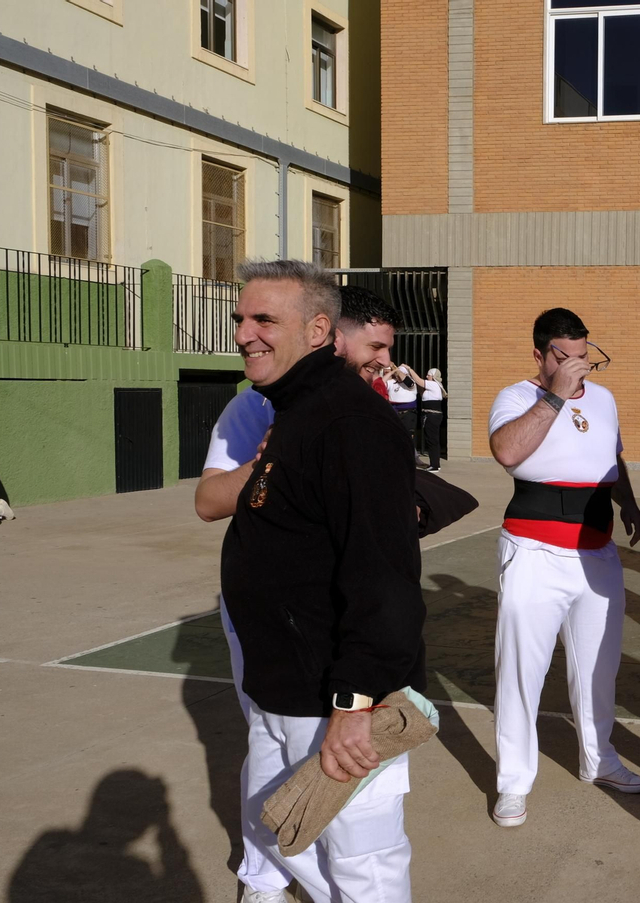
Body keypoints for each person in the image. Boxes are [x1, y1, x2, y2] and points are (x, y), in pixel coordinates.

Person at [218, 260, 429, 903]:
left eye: (264, 320)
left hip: (336, 704)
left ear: (317, 330)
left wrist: (355, 705)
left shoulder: (349, 423)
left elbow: (383, 580)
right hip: (282, 689)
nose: (246, 333)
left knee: (365, 863)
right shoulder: (296, 412)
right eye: (241, 319)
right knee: (289, 835)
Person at [486, 307, 640, 829]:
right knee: (521, 672)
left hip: (597, 553)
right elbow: (508, 451)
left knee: (599, 667)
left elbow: (613, 457)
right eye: (565, 356)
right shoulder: (516, 398)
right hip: (533, 552)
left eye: (584, 356)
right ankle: (513, 783)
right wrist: (554, 394)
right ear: (540, 354)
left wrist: (630, 502)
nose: (579, 366)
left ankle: (599, 759)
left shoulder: (603, 399)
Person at [385, 363, 422, 451]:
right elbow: (380, 383)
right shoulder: (392, 383)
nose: (398, 376)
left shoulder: (411, 384)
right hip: (394, 413)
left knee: (407, 438)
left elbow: (407, 381)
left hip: (407, 414)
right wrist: (390, 372)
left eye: (400, 374)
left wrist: (396, 368)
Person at [419, 368, 448, 472]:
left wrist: (409, 370)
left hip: (432, 416)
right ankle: (434, 463)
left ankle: (435, 465)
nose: (427, 377)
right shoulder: (432, 387)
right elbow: (422, 393)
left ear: (433, 376)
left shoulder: (434, 384)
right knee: (431, 440)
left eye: (428, 375)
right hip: (429, 415)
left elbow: (419, 380)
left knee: (432, 440)